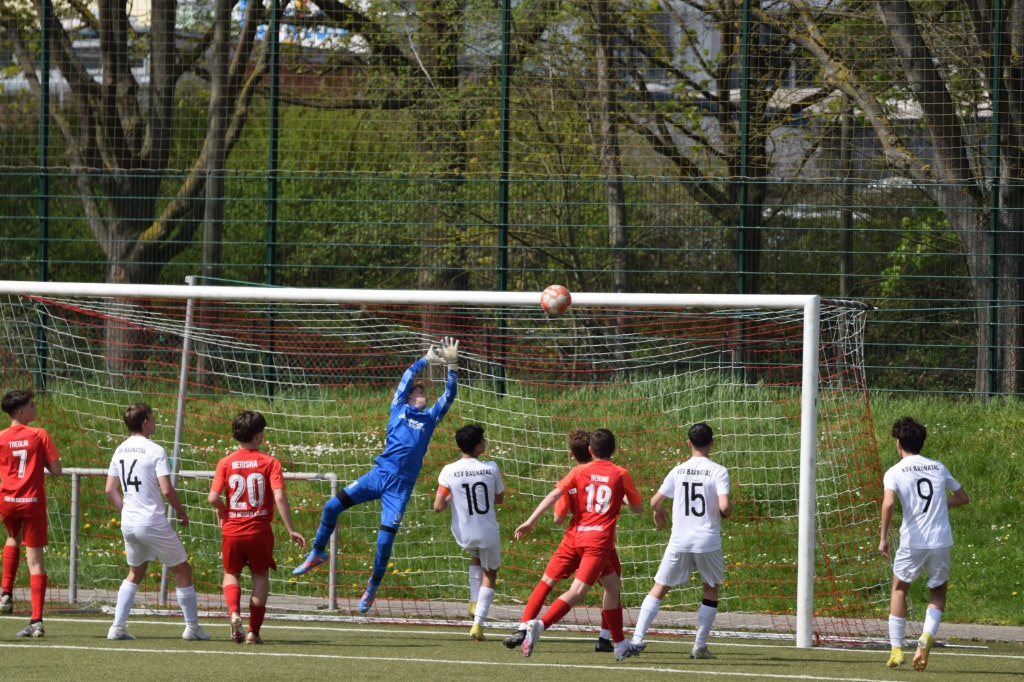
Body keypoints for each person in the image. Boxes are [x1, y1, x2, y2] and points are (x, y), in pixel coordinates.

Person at [293, 337, 459, 613]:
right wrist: (425, 360)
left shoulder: (430, 419)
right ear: (409, 397)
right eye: (420, 393)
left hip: (400, 487)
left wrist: (452, 366)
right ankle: (317, 552)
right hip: (379, 475)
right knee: (331, 506)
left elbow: (449, 396)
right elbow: (407, 377)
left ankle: (372, 586)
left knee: (384, 541)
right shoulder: (398, 408)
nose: (425, 396)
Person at [513, 429, 644, 661]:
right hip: (599, 543)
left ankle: (619, 644)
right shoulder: (621, 473)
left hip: (579, 538)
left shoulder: (579, 471)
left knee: (613, 586)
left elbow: (554, 496)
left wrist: (530, 521)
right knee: (577, 591)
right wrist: (623, 498)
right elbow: (637, 508)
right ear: (615, 449)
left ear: (591, 451)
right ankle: (540, 625)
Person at [104, 403, 210, 641]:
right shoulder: (155, 450)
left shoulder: (120, 449)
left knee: (135, 572)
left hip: (129, 522)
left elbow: (110, 489)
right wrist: (181, 512)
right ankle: (192, 628)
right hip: (150, 521)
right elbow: (167, 489)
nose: (155, 422)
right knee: (183, 569)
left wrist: (126, 511)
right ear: (145, 422)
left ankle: (117, 627)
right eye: (152, 418)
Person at [629, 422, 731, 659]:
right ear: (712, 443)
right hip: (707, 542)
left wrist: (659, 511)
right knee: (710, 589)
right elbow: (725, 506)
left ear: (688, 443)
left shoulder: (678, 470)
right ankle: (699, 646)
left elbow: (654, 502)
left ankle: (637, 639)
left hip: (680, 540)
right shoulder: (718, 471)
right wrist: (727, 512)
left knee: (660, 587)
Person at [208, 410, 307, 644]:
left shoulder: (225, 462)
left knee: (231, 573)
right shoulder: (270, 462)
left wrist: (222, 509)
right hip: (259, 531)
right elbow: (279, 496)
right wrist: (291, 529)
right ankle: (253, 631)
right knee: (260, 577)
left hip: (232, 530)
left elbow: (213, 498)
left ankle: (234, 613)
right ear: (258, 436)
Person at [879, 416, 969, 671]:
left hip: (913, 541)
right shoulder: (938, 467)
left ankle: (897, 650)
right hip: (940, 541)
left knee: (899, 589)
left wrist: (883, 537)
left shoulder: (894, 471)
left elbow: (888, 503)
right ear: (921, 443)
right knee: (938, 591)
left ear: (898, 443)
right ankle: (927, 635)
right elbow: (963, 497)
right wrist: (940, 504)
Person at [0, 389, 62, 638]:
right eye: (32, 405)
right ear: (22, 412)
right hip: (32, 501)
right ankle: (36, 621)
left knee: (12, 538)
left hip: (7, 500)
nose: (36, 408)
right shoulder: (39, 434)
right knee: (35, 560)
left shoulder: (1, 437)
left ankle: (6, 593)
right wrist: (42, 460)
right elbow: (56, 470)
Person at [433, 423, 504, 640]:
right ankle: (478, 624)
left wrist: (453, 497)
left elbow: (438, 506)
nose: (485, 442)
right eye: (483, 440)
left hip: (463, 534)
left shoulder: (448, 470)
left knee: (476, 555)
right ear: (478, 447)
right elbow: (499, 498)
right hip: (487, 532)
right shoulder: (491, 467)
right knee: (490, 572)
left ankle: (474, 601)